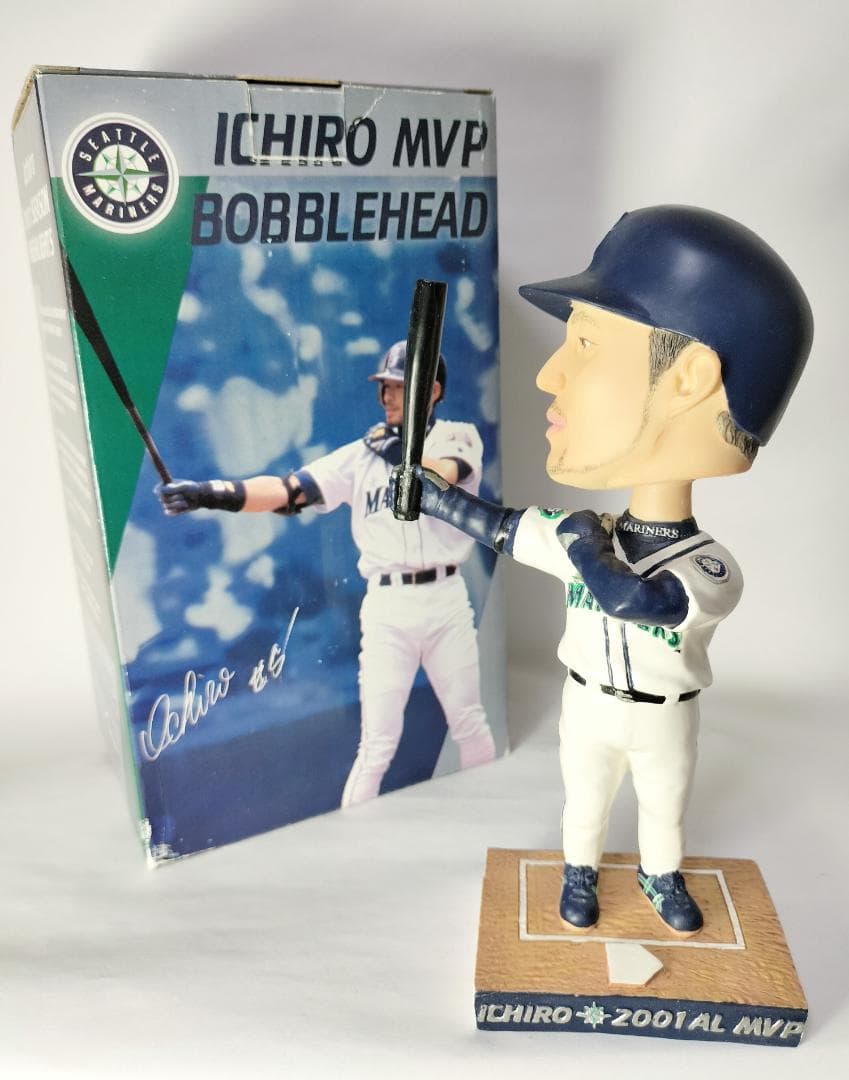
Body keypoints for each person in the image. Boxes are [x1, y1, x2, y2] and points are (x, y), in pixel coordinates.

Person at [403, 206, 812, 934]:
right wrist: (430, 495)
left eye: (586, 342)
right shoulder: (581, 532)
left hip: (663, 716)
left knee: (662, 810)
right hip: (588, 704)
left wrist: (583, 545)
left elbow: (632, 598)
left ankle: (661, 880)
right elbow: (500, 528)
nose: (549, 373)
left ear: (689, 377)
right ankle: (579, 875)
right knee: (584, 804)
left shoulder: (708, 566)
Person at [158, 340, 496, 807]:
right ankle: (353, 834)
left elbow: (443, 474)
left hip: (446, 601)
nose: (388, 396)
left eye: (400, 387)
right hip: (388, 608)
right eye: (385, 387)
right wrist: (209, 493)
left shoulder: (457, 436)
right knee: (376, 745)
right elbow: (287, 491)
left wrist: (399, 453)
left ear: (433, 391)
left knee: (469, 721)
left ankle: (486, 814)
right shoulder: (361, 455)